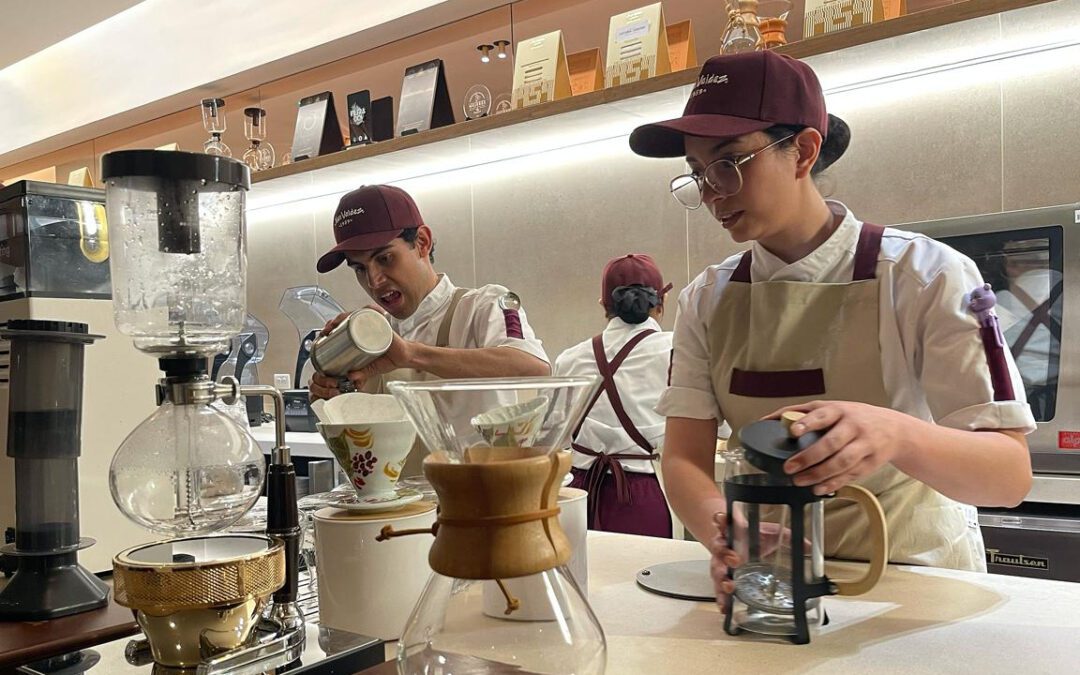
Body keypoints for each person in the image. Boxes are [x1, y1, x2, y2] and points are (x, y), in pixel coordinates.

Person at [627, 51, 1035, 603]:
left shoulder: (925, 276)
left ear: (803, 150)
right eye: (697, 173)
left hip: (917, 586)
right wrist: (725, 528)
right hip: (775, 587)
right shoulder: (707, 299)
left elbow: (1007, 476)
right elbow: (682, 459)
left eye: (728, 162)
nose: (711, 191)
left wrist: (894, 433)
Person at [309, 184, 551, 471]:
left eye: (385, 258)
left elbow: (533, 367)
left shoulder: (482, 305)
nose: (374, 281)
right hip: (404, 511)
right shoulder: (371, 335)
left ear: (422, 242)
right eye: (359, 268)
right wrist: (332, 398)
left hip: (482, 502)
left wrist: (411, 354)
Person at [554, 254, 675, 538]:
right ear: (661, 303)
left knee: (583, 579)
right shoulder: (676, 351)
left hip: (577, 493)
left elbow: (554, 437)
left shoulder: (570, 359)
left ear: (603, 306)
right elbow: (717, 426)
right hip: (644, 494)